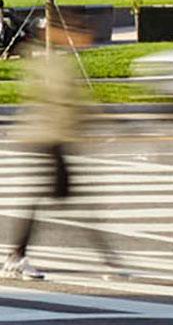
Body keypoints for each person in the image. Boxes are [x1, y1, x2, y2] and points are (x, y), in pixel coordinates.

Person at [3, 17, 126, 281]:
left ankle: (18, 255)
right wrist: (106, 122)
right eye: (80, 32)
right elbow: (65, 102)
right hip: (48, 138)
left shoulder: (56, 60)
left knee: (63, 198)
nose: (86, 38)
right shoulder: (53, 63)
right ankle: (17, 256)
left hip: (51, 138)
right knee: (72, 201)